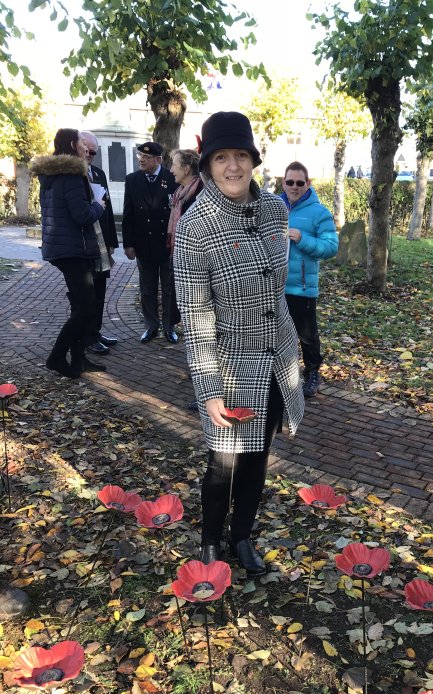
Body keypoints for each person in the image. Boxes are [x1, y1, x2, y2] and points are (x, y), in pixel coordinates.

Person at [173, 111, 304, 575]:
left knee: (257, 460)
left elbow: (279, 286)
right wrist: (208, 389)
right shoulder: (195, 227)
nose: (233, 167)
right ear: (207, 163)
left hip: (276, 361)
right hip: (229, 366)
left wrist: (294, 355)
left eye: (241, 156)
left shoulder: (274, 209)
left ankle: (242, 535)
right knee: (223, 464)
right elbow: (195, 315)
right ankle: (210, 543)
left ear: (253, 160)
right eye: (222, 157)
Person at [30, 128, 108, 378]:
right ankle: (56, 357)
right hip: (74, 249)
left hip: (61, 247)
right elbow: (82, 216)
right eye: (83, 143)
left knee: (80, 305)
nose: (86, 148)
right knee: (85, 308)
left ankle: (78, 360)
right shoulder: (72, 175)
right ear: (72, 145)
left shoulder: (51, 176)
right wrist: (98, 205)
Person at [281, 161, 338, 398]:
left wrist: (302, 238)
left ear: (308, 184)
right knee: (277, 333)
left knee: (307, 334)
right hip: (273, 285)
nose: (294, 187)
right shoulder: (273, 207)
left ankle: (313, 373)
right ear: (283, 183)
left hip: (302, 287)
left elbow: (331, 247)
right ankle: (281, 375)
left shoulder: (319, 213)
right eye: (290, 182)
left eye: (299, 183)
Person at [121, 141, 179, 343]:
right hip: (144, 243)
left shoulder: (172, 179)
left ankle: (169, 327)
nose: (142, 160)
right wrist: (128, 243)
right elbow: (128, 213)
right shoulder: (132, 180)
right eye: (140, 157)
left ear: (158, 160)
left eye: (146, 158)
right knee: (147, 289)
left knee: (169, 288)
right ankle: (151, 326)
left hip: (167, 245)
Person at [168, 148, 204, 412]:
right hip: (186, 268)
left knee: (202, 333)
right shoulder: (182, 195)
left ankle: (209, 392)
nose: (171, 169)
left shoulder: (199, 195)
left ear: (188, 168)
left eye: (174, 164)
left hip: (199, 273)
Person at [80, 131, 119, 355]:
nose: (91, 156)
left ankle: (95, 331)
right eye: (88, 151)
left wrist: (111, 241)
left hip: (101, 244)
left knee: (100, 289)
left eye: (94, 152)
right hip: (84, 245)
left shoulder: (99, 173)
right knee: (87, 292)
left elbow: (108, 209)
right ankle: (86, 335)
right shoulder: (74, 175)